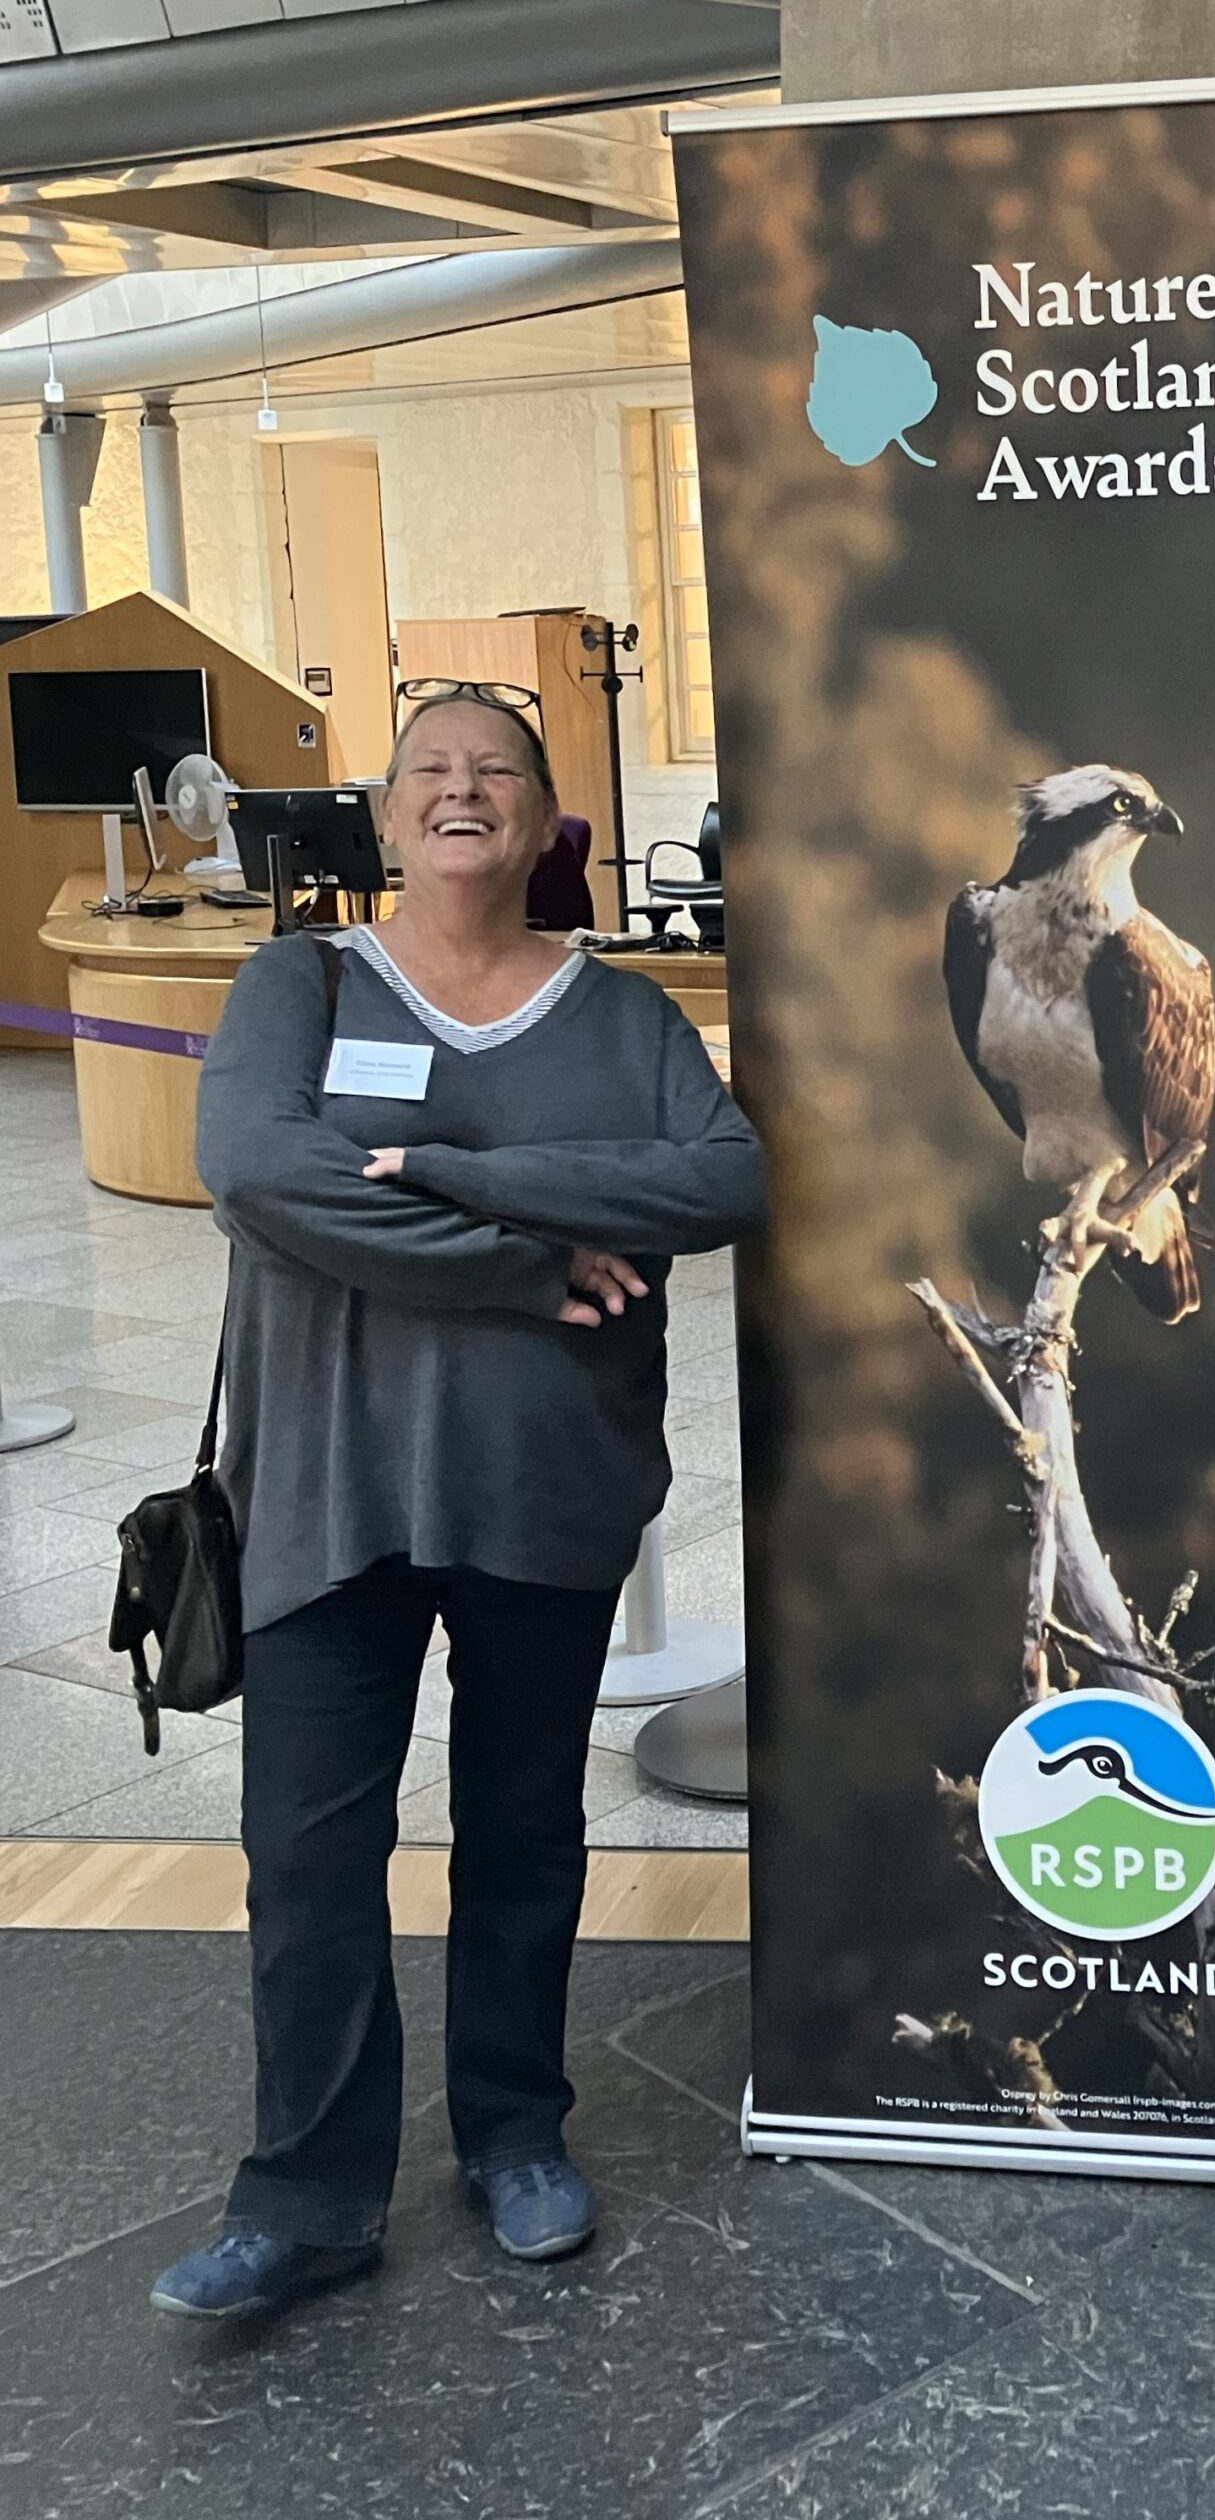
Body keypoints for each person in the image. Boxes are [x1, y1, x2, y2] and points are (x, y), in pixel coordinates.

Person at [152, 686, 767, 2321]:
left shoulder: (623, 1016)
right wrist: (521, 1262)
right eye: (429, 768)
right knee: (306, 1856)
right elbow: (258, 1173)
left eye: (497, 768)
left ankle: (515, 2135)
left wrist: (451, 1175)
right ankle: (309, 2195)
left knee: (520, 1836)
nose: (461, 790)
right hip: (325, 1492)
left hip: (540, 1491)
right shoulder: (299, 983)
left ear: (552, 817)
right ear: (384, 810)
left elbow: (719, 1180)